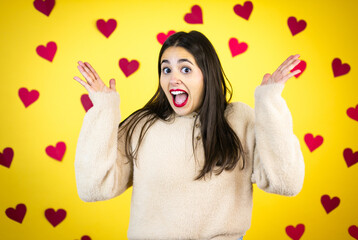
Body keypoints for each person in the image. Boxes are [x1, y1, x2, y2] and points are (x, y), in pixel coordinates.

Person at [73, 31, 305, 240]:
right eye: (166, 69)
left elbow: (286, 183)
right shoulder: (142, 125)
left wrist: (269, 101)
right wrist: (104, 108)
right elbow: (93, 187)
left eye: (185, 69)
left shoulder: (239, 119)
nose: (173, 78)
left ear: (207, 74)